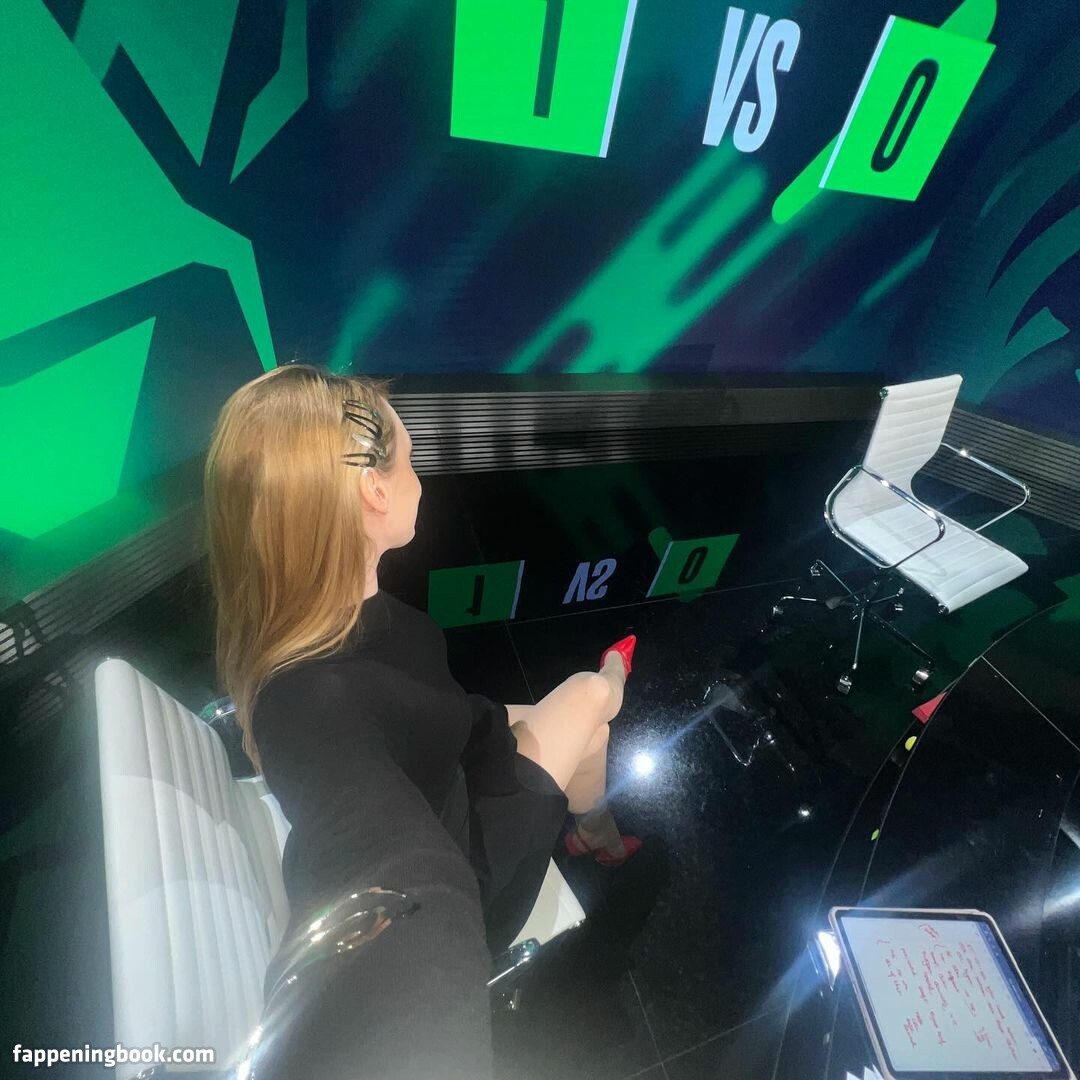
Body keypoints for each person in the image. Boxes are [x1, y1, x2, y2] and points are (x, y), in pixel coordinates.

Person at [202, 363, 640, 1076]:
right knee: (594, 695)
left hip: (445, 764)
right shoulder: (312, 707)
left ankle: (596, 833)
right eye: (411, 460)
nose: (420, 480)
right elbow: (405, 894)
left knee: (592, 731)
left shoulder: (308, 618)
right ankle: (607, 769)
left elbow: (423, 714)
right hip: (468, 870)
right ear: (373, 491)